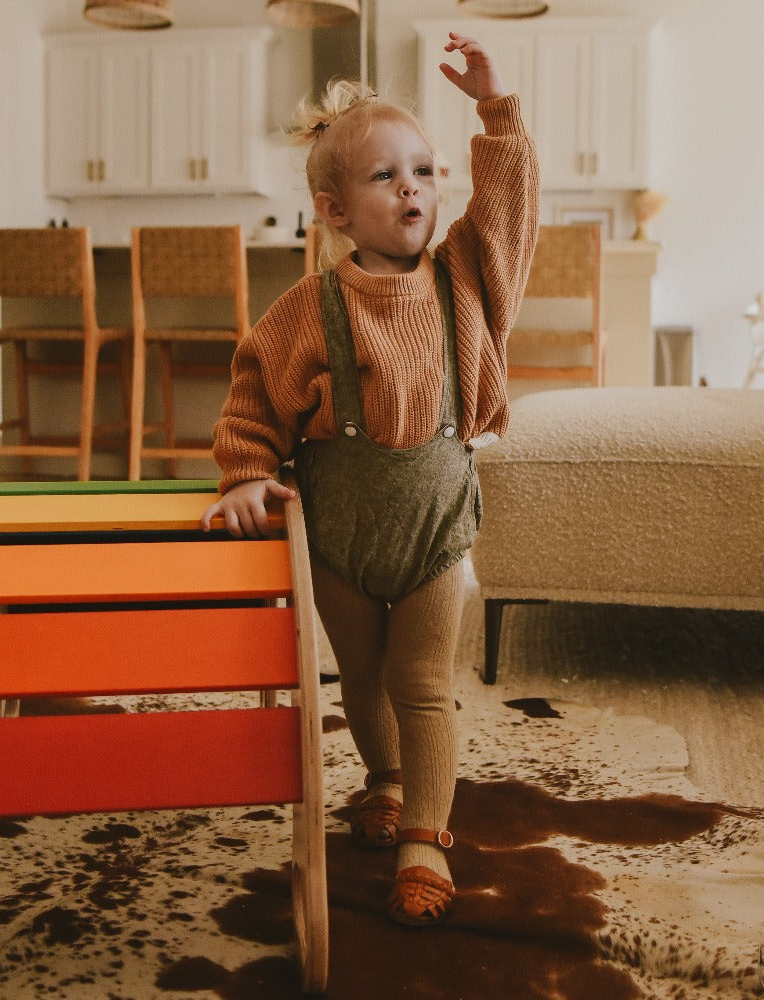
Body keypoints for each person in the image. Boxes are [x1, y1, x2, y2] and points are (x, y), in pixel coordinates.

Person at [201, 31, 539, 926]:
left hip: (433, 529)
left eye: (424, 171)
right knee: (359, 672)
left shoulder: (468, 276)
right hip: (338, 533)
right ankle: (383, 781)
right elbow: (251, 400)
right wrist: (243, 473)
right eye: (387, 177)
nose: (414, 189)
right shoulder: (303, 310)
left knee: (422, 681)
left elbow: (507, 209)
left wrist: (495, 109)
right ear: (335, 209)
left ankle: (427, 837)